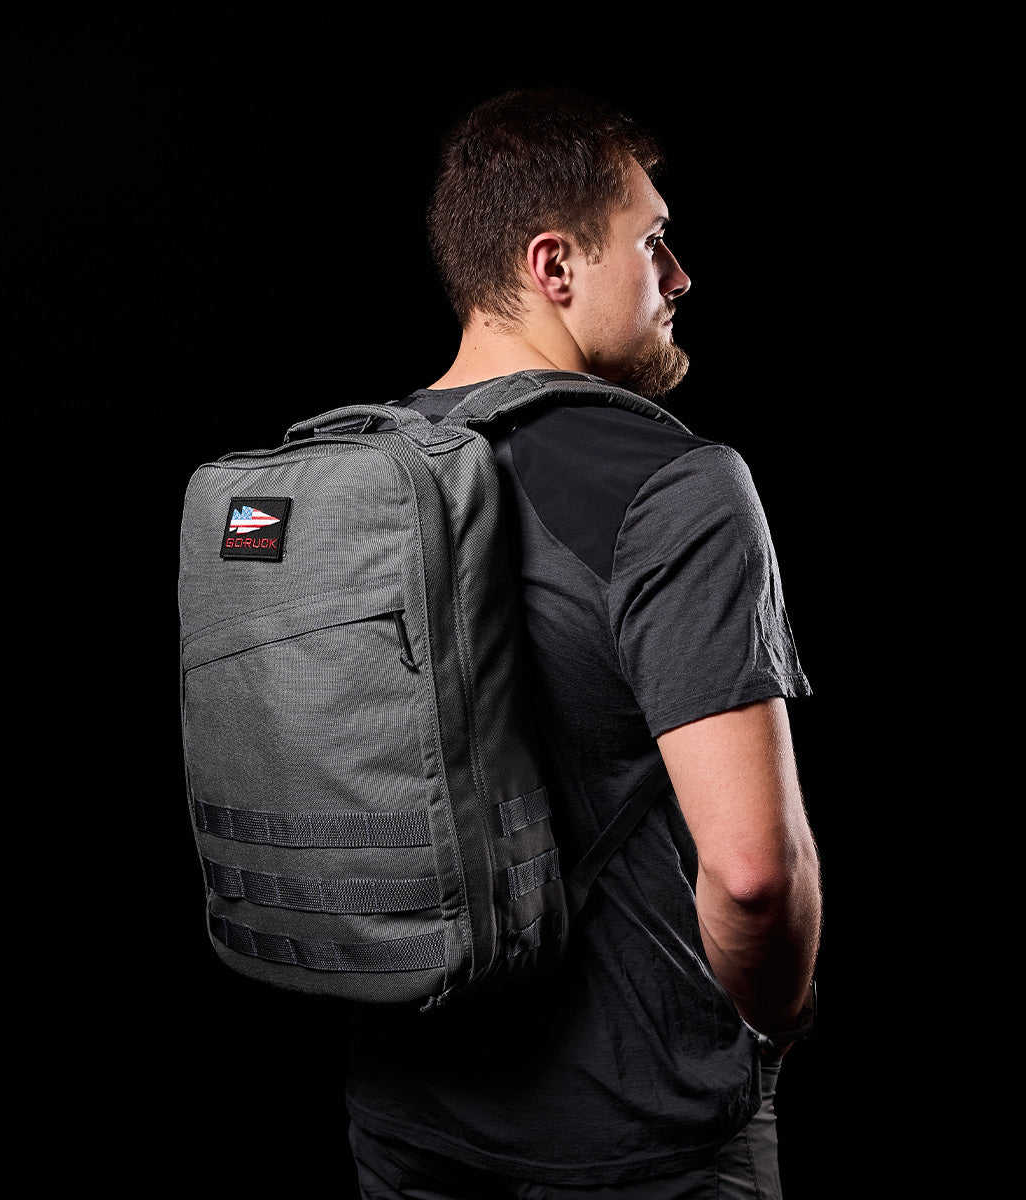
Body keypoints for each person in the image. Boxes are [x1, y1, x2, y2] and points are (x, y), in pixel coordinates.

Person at [344, 88, 823, 1199]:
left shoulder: (356, 479)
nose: (681, 276)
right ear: (555, 268)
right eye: (654, 242)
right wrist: (777, 1024)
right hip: (638, 1137)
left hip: (406, 1116)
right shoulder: (675, 485)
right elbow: (752, 876)